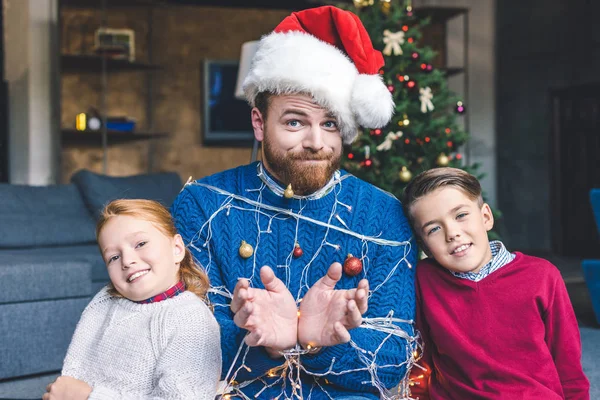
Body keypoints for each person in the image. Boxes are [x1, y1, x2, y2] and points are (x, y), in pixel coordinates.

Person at [171, 5, 418, 400]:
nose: (316, 142)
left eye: (330, 123)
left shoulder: (382, 214)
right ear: (258, 123)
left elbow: (394, 358)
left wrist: (311, 342)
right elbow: (181, 347)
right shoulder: (201, 205)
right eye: (295, 122)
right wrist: (272, 343)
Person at [403, 167, 590, 399]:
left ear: (486, 217)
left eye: (460, 215)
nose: (452, 233)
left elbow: (568, 365)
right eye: (434, 229)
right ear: (425, 246)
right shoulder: (424, 279)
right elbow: (422, 357)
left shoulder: (542, 276)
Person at [43, 199, 222, 400]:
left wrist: (89, 397)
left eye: (141, 244)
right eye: (113, 257)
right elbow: (75, 372)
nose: (127, 261)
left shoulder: (191, 319)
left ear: (177, 249)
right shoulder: (104, 301)